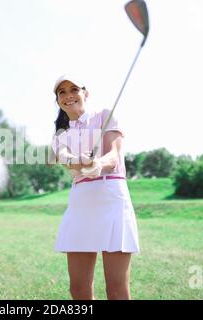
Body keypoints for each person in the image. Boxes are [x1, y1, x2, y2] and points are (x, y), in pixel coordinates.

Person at [50, 74, 140, 300]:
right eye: (62, 92)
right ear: (58, 100)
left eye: (74, 89)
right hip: (81, 203)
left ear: (85, 93)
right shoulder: (60, 135)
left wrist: (97, 164)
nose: (69, 95)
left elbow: (114, 157)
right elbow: (64, 157)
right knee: (78, 290)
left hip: (111, 198)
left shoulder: (104, 115)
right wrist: (78, 162)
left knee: (117, 290)